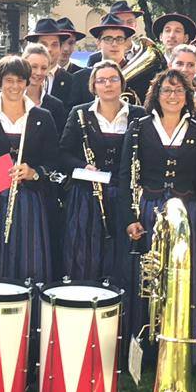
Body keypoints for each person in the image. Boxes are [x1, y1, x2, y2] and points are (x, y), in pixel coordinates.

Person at [116, 68, 196, 342]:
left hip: (186, 213)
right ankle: (144, 344)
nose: (172, 95)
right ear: (156, 95)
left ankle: (178, 344)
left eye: (179, 90)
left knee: (180, 279)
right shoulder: (139, 127)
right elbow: (126, 176)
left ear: (187, 96)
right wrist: (129, 218)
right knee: (148, 278)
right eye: (166, 90)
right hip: (148, 211)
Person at [0, 55, 62, 285]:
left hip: (29, 200)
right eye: (8, 80)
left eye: (20, 80)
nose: (14, 86)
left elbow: (54, 161)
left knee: (29, 260)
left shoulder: (42, 116)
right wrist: (0, 172)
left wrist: (34, 172)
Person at [59, 61, 136, 297]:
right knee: (84, 256)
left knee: (120, 260)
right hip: (87, 196)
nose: (108, 84)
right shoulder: (80, 113)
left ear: (122, 83)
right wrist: (83, 166)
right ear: (93, 86)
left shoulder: (138, 114)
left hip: (124, 195)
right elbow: (62, 154)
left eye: (113, 79)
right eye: (101, 80)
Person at [62, 13, 136, 109]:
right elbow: (73, 114)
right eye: (108, 39)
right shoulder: (81, 77)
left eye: (119, 39)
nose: (114, 44)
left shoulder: (140, 77)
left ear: (125, 43)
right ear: (98, 43)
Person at [21, 41, 69, 134]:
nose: (38, 72)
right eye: (34, 67)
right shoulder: (11, 100)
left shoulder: (56, 106)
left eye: (43, 68)